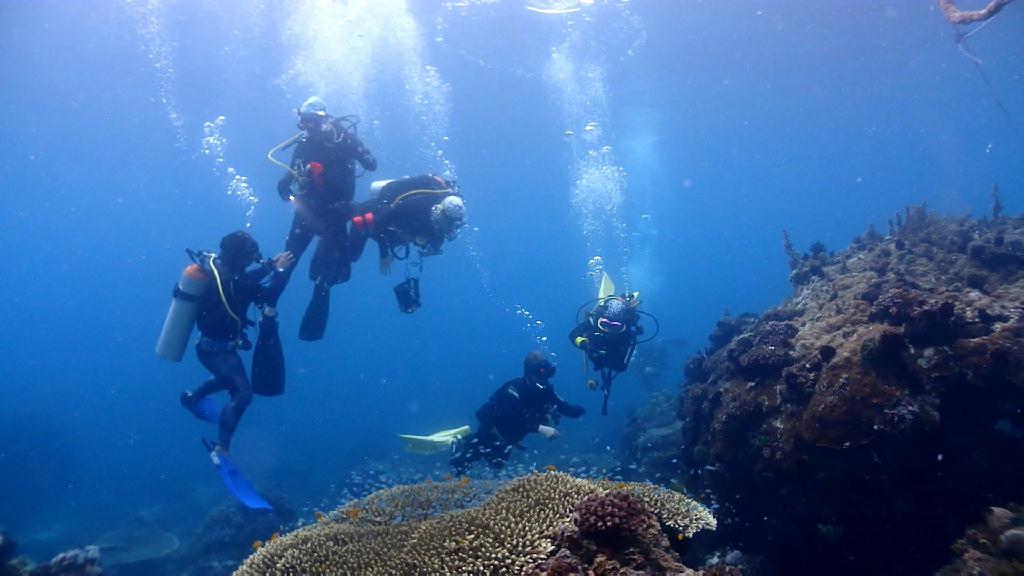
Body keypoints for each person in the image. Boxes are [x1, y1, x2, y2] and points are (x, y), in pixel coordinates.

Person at [179, 231, 294, 459]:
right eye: (251, 254)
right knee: (243, 394)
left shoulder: (220, 271)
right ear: (241, 257)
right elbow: (269, 295)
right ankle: (221, 448)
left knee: (227, 379)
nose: (254, 258)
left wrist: (269, 266)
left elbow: (246, 282)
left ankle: (192, 398)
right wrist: (280, 269)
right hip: (219, 352)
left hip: (207, 347)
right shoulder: (239, 281)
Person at [273, 96, 377, 341]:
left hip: (335, 213)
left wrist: (357, 149)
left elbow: (371, 164)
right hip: (310, 210)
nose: (308, 128)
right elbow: (288, 179)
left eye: (312, 122)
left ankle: (315, 307)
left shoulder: (344, 139)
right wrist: (285, 186)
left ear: (323, 119)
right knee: (289, 258)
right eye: (304, 123)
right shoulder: (304, 145)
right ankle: (269, 305)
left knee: (327, 270)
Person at [451, 351, 585, 475]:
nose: (545, 376)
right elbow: (509, 416)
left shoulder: (546, 392)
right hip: (490, 432)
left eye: (548, 371)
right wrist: (540, 428)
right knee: (460, 465)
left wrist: (581, 410)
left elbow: (566, 408)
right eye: (542, 371)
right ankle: (458, 443)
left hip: (509, 440)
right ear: (531, 372)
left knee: (496, 465)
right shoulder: (515, 388)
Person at [349, 174, 465, 312]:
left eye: (450, 224)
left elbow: (436, 239)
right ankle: (349, 207)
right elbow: (381, 221)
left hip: (396, 233)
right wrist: (384, 253)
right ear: (440, 211)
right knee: (352, 255)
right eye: (446, 222)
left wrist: (431, 248)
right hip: (377, 219)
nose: (447, 227)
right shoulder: (417, 205)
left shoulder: (443, 225)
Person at [569, 292, 644, 415]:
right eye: (605, 324)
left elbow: (621, 366)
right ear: (600, 319)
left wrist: (601, 357)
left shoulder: (627, 334)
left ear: (623, 325)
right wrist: (585, 344)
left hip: (610, 357)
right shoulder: (593, 321)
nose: (609, 329)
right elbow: (573, 335)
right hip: (594, 351)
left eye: (615, 326)